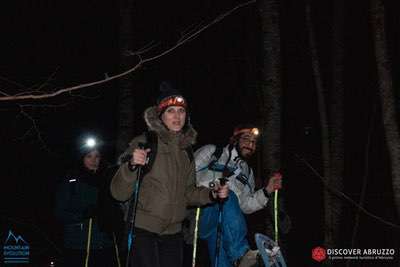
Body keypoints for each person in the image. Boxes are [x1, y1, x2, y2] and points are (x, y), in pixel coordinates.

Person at [110, 81, 228, 267]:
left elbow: (188, 193)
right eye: (170, 111)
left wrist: (211, 195)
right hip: (143, 231)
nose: (177, 116)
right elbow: (118, 192)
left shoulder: (186, 152)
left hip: (174, 234)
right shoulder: (145, 142)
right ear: (160, 116)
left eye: (181, 111)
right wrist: (131, 166)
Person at [195, 125, 283, 267]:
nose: (250, 144)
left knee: (222, 262)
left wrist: (267, 190)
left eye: (254, 142)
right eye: (246, 139)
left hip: (224, 227)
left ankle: (238, 259)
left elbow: (245, 205)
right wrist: (213, 187)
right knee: (227, 194)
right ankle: (241, 254)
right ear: (235, 140)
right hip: (203, 212)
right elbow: (187, 177)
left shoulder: (247, 172)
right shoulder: (212, 152)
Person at [55, 138, 120, 267]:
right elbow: (59, 212)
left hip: (105, 243)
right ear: (82, 158)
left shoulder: (108, 179)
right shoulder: (71, 181)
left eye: (97, 156)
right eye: (89, 156)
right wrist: (82, 215)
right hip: (78, 244)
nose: (93, 160)